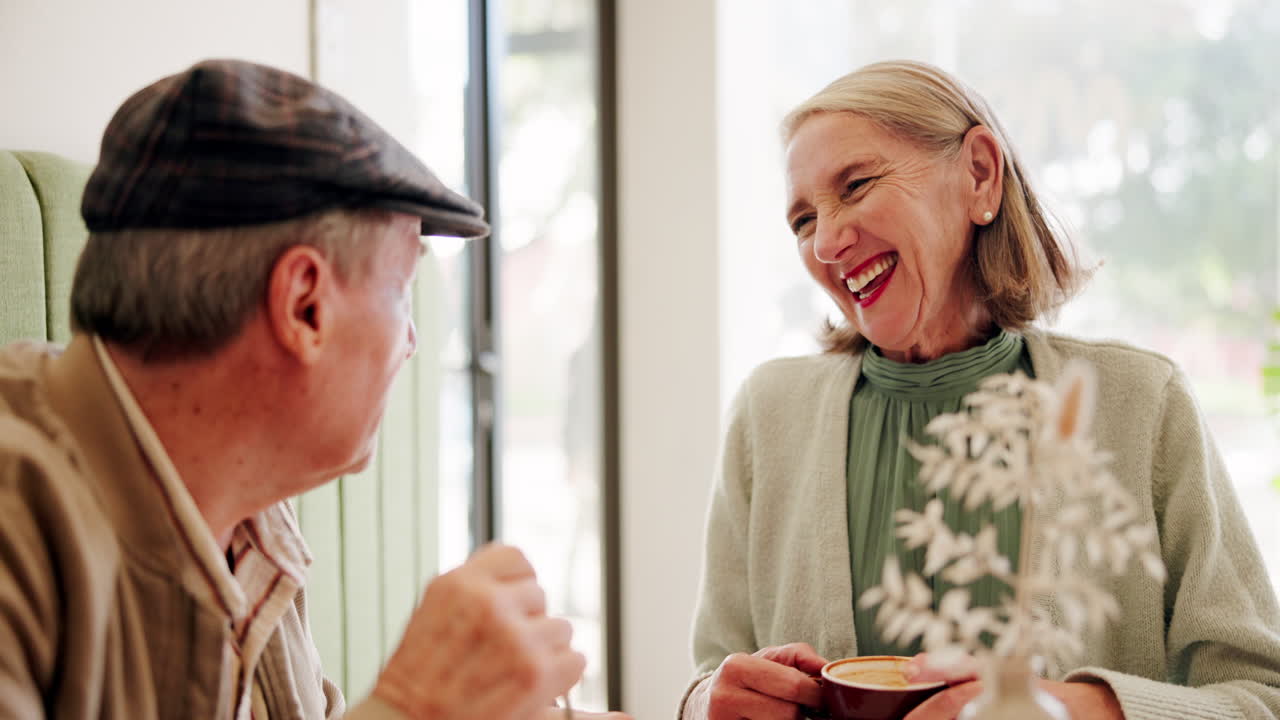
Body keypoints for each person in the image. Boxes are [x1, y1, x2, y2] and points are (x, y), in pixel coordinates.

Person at [0, 59, 629, 720]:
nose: (412, 340)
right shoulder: (18, 520)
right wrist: (414, 708)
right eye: (402, 290)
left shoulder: (250, 519)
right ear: (305, 306)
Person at [679, 60, 1280, 720]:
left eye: (856, 185)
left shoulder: (1142, 403)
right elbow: (713, 671)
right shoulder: (768, 415)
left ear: (979, 175)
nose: (824, 242)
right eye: (801, 221)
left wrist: (1068, 708)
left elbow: (1260, 697)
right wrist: (709, 700)